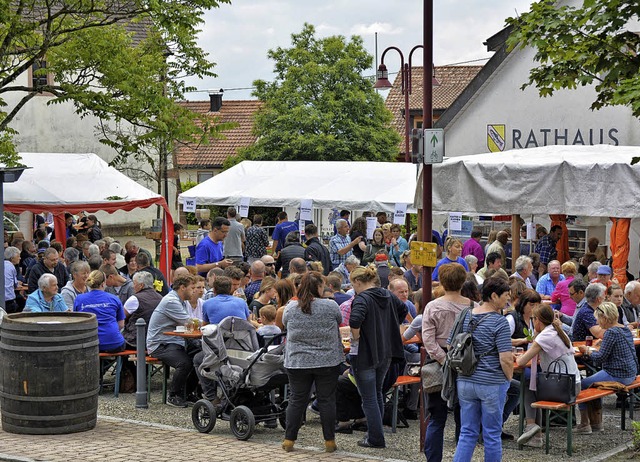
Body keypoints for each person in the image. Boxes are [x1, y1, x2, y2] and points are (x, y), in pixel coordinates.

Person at [452, 277, 513, 462]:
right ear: (494, 296)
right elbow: (506, 359)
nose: (508, 300)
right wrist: (508, 379)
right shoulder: (500, 322)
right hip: (491, 383)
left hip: (465, 380)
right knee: (492, 435)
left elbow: (451, 344)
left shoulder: (466, 315)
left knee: (467, 432)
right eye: (505, 296)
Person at [281, 272, 343, 453]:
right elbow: (339, 322)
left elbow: (285, 324)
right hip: (327, 360)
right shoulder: (331, 306)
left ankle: (289, 440)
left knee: (297, 400)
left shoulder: (291, 308)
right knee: (327, 400)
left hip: (298, 361)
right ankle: (329, 441)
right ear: (318, 287)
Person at [349, 265, 407, 449]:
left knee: (369, 397)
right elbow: (403, 309)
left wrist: (356, 337)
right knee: (378, 393)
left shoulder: (362, 298)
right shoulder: (386, 294)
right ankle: (376, 433)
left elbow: (354, 320)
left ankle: (375, 437)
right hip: (386, 351)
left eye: (353, 284)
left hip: (366, 353)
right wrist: (388, 325)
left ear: (358, 282)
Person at [421, 263, 469, 462]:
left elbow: (428, 339)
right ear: (463, 281)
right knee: (463, 417)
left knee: (436, 416)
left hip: (438, 361)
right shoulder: (471, 306)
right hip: (465, 362)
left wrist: (443, 359)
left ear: (441, 281)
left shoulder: (433, 306)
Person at [515, 303, 581, 446]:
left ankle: (532, 428)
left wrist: (515, 357)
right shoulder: (558, 331)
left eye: (533, 319)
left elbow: (521, 361)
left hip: (563, 388)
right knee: (534, 386)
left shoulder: (543, 337)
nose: (532, 322)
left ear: (538, 320)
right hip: (574, 383)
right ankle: (535, 434)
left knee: (528, 385)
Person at [576, 301, 639, 433]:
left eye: (598, 318)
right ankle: (597, 423)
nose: (597, 321)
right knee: (594, 383)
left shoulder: (611, 332)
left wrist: (587, 351)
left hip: (618, 375)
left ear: (604, 318)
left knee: (582, 384)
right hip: (631, 372)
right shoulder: (624, 329)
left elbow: (599, 358)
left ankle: (585, 423)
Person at [146, 274, 198, 408]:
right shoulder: (171, 301)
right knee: (185, 363)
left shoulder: (182, 301)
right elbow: (189, 323)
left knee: (201, 358)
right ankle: (174, 395)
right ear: (182, 288)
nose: (195, 291)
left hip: (174, 341)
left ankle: (187, 392)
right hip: (160, 344)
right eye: (192, 288)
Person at [74, 270, 125, 352]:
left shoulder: (79, 299)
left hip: (89, 343)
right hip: (114, 342)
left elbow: (77, 322)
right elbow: (121, 324)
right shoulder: (114, 299)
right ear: (103, 283)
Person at [122, 271, 163, 349]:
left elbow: (121, 317)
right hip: (156, 340)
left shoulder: (135, 299)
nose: (133, 287)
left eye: (134, 284)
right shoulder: (160, 297)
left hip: (135, 340)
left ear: (141, 285)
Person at [4, 246, 22, 313]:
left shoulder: (2, 264)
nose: (20, 258)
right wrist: (17, 283)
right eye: (18, 256)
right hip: (9, 300)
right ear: (12, 258)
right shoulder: (11, 266)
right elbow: (15, 285)